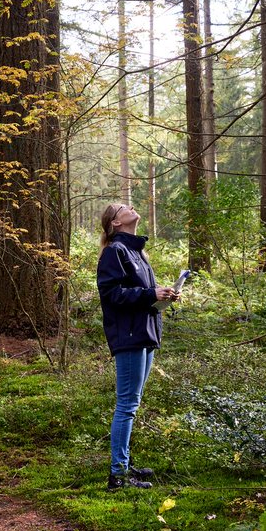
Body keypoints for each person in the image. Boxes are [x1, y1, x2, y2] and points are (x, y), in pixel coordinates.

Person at [97, 202, 179, 491]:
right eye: (123, 207)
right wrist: (149, 293)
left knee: (133, 403)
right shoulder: (114, 251)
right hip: (129, 335)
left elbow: (141, 295)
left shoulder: (137, 252)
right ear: (115, 223)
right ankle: (118, 475)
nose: (130, 207)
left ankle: (124, 463)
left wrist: (161, 296)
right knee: (127, 405)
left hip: (145, 332)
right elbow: (111, 294)